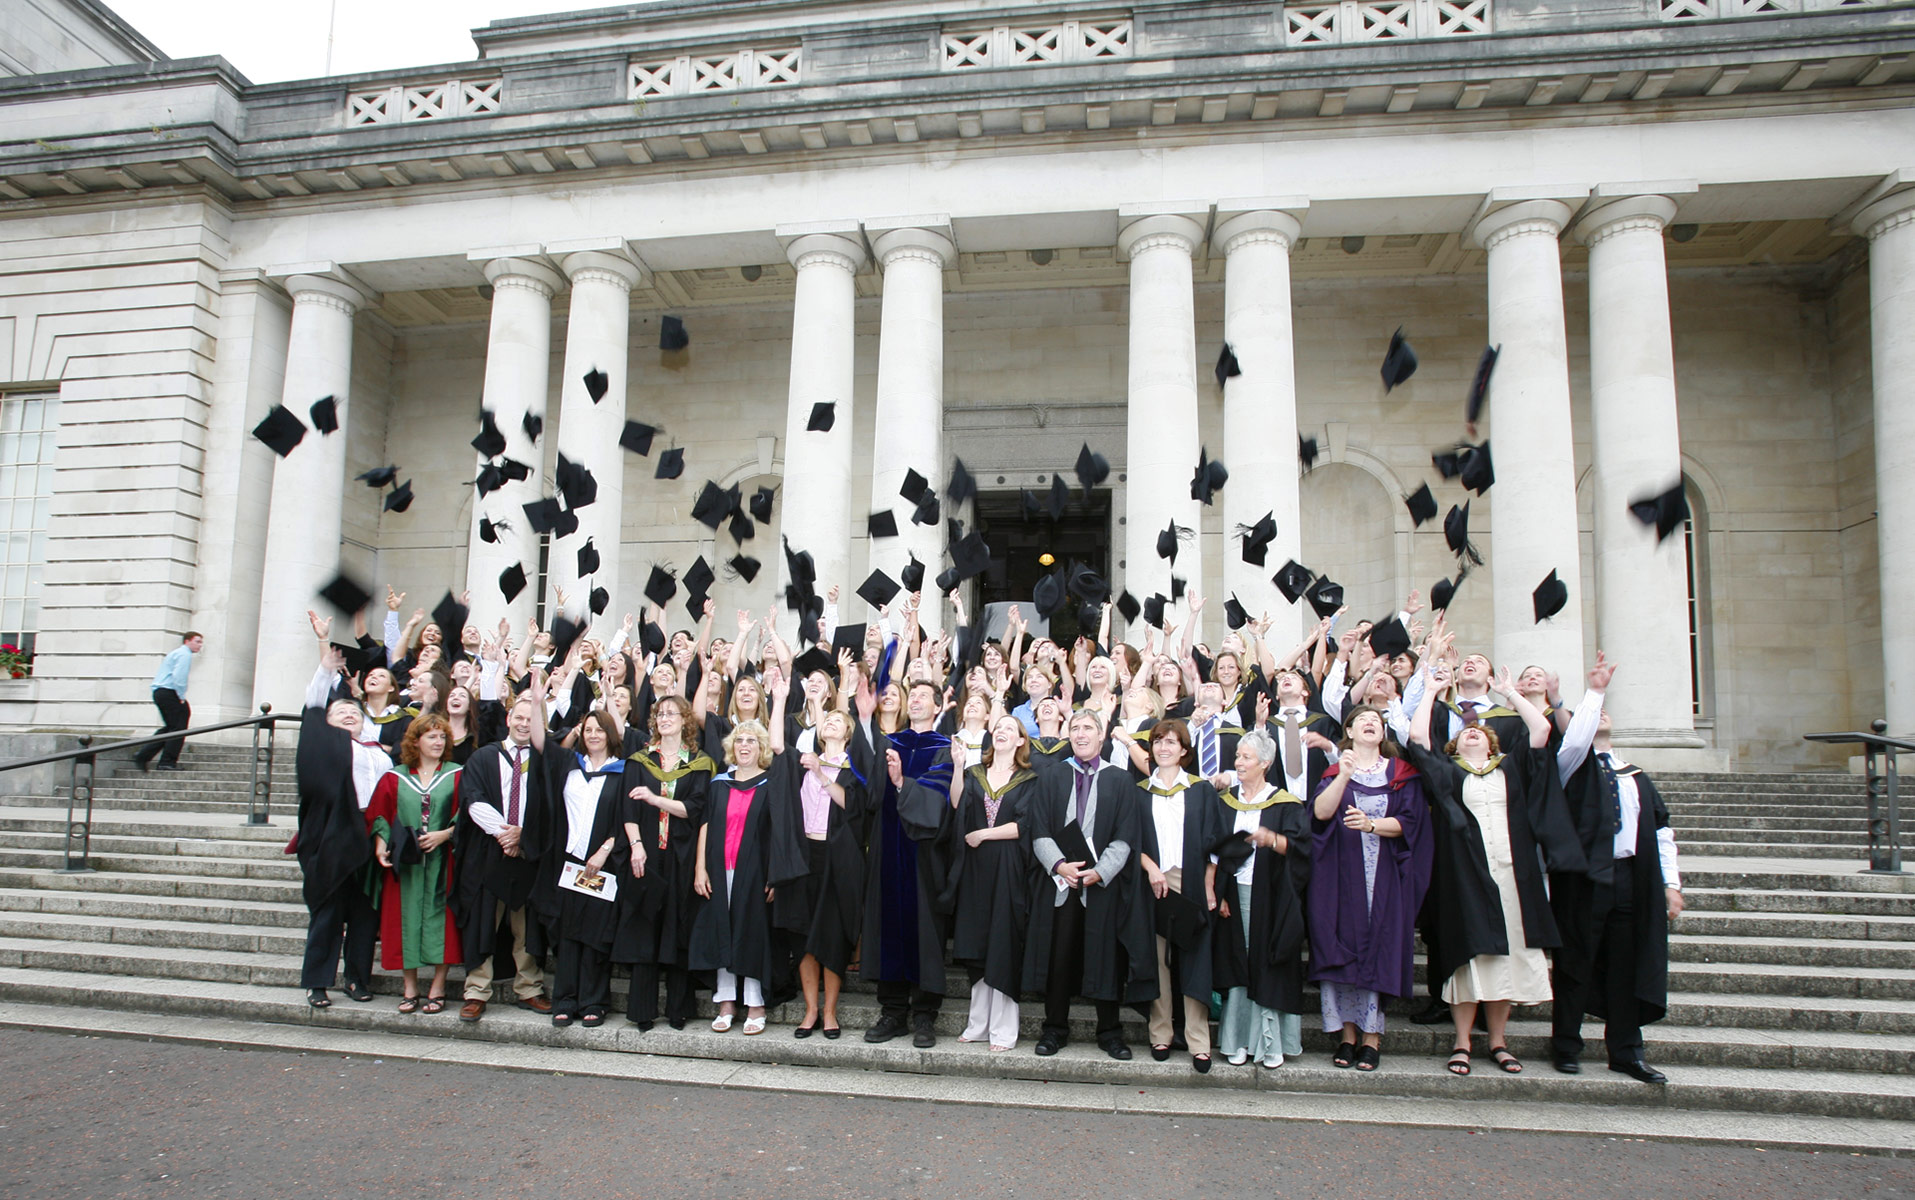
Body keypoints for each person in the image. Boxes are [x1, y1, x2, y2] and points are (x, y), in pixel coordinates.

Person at [1407, 663, 1580, 1076]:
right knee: (1470, 957)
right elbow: (1416, 737)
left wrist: (1510, 693)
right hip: (1466, 877)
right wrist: (1430, 690)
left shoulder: (1511, 768)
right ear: (1455, 745)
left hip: (1511, 877)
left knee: (1507, 957)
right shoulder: (1448, 772)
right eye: (1467, 731)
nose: (1473, 732)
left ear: (1492, 743)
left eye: (1481, 732)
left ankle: (1499, 1042)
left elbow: (1540, 733)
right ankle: (1463, 1041)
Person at [1551, 658, 1686, 1084]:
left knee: (1628, 963)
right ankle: (1567, 1045)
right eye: (1595, 716)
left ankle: (1626, 1050)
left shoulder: (1636, 777)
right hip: (1585, 876)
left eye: (1606, 713)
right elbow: (1575, 739)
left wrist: (1671, 885)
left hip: (1631, 878)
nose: (1601, 717)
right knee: (1576, 961)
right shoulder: (1572, 764)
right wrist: (1595, 692)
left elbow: (1662, 832)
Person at [1023, 709, 1155, 1060]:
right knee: (1059, 956)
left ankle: (1110, 1032)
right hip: (1061, 884)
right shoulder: (1051, 776)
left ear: (1102, 735)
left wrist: (1101, 871)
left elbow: (1127, 835)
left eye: (1088, 728)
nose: (1081, 734)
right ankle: (1054, 1029)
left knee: (1105, 957)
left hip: (1101, 884)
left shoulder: (1120, 779)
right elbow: (1039, 828)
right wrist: (1059, 865)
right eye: (1075, 728)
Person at [1307, 704, 1432, 1072]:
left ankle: (1372, 1038)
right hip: (1340, 875)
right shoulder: (1334, 772)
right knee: (1341, 945)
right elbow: (1320, 813)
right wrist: (1344, 776)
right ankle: (1347, 1037)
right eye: (1362, 720)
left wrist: (1373, 825)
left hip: (1385, 877)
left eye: (1376, 722)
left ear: (1383, 734)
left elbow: (1412, 821)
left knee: (1379, 948)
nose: (1369, 724)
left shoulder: (1402, 774)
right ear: (1349, 730)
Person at [689, 718, 806, 1035]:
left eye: (751, 741)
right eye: (739, 740)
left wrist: (774, 875)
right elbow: (706, 825)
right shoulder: (718, 784)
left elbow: (778, 835)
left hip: (754, 872)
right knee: (722, 931)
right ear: (731, 747)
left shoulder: (770, 785)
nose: (744, 746)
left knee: (753, 934)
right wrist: (700, 867)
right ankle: (726, 1001)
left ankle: (755, 1003)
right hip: (718, 868)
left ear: (762, 748)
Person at [294, 615, 387, 1009]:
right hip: (331, 837)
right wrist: (324, 653)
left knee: (365, 915)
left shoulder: (378, 752)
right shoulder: (324, 746)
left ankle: (357, 978)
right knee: (328, 912)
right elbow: (315, 705)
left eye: (354, 712)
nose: (349, 714)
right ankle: (318, 981)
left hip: (368, 840)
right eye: (341, 712)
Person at [860, 677, 958, 1047]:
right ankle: (893, 1012)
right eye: (911, 695)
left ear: (937, 706)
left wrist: (902, 783)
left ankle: (924, 1016)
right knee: (889, 925)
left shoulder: (945, 747)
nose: (915, 700)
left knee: (924, 929)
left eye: (923, 696)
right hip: (887, 849)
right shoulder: (889, 742)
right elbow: (868, 794)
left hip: (925, 854)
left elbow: (938, 799)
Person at [770, 679, 870, 1040]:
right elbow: (776, 747)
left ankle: (830, 1012)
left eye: (837, 721)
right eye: (825, 720)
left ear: (848, 732)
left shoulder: (854, 766)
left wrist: (821, 773)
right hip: (803, 856)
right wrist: (780, 699)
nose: (830, 723)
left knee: (831, 936)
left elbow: (853, 807)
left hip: (837, 858)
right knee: (803, 936)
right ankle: (810, 1010)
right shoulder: (803, 760)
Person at [1212, 728, 1313, 1070]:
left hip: (1272, 896)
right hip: (1234, 891)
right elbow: (1215, 850)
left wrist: (1272, 839)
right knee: (1239, 965)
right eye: (1237, 756)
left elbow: (1303, 851)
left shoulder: (1285, 803)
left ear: (1265, 763)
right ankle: (1238, 1039)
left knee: (1267, 964)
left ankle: (1269, 1044)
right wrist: (1219, 893)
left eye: (1246, 757)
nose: (1238, 762)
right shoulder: (1226, 802)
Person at [452, 684, 552, 1023]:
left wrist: (524, 836)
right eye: (520, 717)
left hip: (529, 854)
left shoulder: (543, 761)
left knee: (528, 928)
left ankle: (530, 988)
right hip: (489, 852)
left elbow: (551, 808)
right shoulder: (484, 756)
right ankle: (476, 991)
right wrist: (505, 833)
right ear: (508, 718)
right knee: (483, 922)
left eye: (532, 719)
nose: (524, 723)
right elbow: (473, 799)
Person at [618, 694, 714, 1031]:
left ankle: (678, 1008)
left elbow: (695, 809)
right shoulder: (639, 761)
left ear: (686, 720)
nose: (665, 717)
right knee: (645, 926)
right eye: (660, 713)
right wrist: (636, 846)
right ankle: (642, 1010)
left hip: (682, 855)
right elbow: (628, 809)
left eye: (672, 713)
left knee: (678, 925)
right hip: (646, 852)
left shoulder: (700, 763)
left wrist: (655, 798)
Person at [531, 703, 630, 1027]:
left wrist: (604, 851)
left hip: (602, 864)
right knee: (568, 932)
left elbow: (627, 819)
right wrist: (535, 701)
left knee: (594, 935)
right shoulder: (569, 767)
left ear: (610, 734)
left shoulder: (622, 772)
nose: (593, 735)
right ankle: (565, 999)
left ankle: (594, 1001)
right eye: (588, 730)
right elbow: (539, 743)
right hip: (569, 862)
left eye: (599, 729)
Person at [946, 713, 1039, 1052]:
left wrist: (984, 834)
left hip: (1008, 866)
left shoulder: (1029, 779)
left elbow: (1025, 825)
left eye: (1009, 729)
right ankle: (978, 1024)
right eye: (996, 728)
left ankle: (1003, 1030)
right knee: (978, 945)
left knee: (1003, 943)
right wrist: (957, 766)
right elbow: (957, 803)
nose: (1001, 732)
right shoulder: (974, 774)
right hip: (976, 868)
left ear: (1020, 740)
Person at [1136, 719, 1225, 1072]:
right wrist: (1151, 868)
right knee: (1157, 961)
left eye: (1171, 742)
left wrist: (1207, 882)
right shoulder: (1141, 791)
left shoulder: (1201, 790)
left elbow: (1216, 841)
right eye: (1158, 742)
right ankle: (1160, 1033)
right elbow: (1131, 840)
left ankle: (1198, 1040)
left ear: (1184, 750)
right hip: (1154, 883)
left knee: (1195, 959)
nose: (1163, 748)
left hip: (1191, 881)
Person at [366, 713, 463, 1014]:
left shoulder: (457, 773)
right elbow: (380, 814)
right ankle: (410, 987)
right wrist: (381, 842)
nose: (438, 742)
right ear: (416, 741)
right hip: (406, 863)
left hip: (442, 860)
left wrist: (445, 834)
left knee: (442, 920)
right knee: (403, 920)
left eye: (442, 736)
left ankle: (437, 985)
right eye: (431, 736)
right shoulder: (395, 776)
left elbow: (468, 813)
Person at [136, 631, 202, 772]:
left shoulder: (177, 653)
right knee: (178, 728)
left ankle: (144, 755)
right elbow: (179, 676)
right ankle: (167, 762)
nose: (200, 645)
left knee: (171, 727)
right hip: (169, 692)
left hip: (161, 692)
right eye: (197, 641)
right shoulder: (184, 654)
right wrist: (181, 696)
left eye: (201, 642)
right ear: (187, 641)